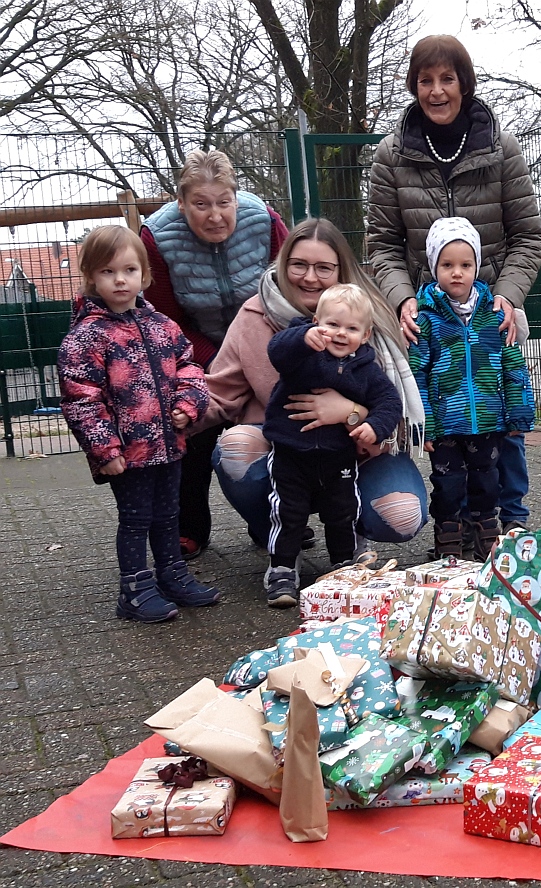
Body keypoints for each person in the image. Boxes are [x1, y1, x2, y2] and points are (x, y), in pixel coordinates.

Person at [367, 34, 541, 536]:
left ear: (464, 84)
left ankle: (510, 522)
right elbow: (381, 243)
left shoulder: (501, 149)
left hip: (494, 309)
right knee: (442, 419)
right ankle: (453, 521)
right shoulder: (391, 156)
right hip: (427, 317)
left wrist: (507, 297)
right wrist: (402, 301)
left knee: (502, 419)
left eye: (447, 79)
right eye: (426, 80)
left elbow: (528, 237)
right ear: (414, 86)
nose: (437, 91)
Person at [194, 217, 427, 564]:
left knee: (401, 515)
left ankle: (350, 539)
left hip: (357, 450)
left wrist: (350, 411)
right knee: (234, 448)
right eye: (299, 265)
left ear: (340, 270)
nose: (310, 277)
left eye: (323, 268)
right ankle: (275, 530)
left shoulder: (370, 317)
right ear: (283, 262)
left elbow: (394, 405)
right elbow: (220, 392)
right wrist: (175, 418)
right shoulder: (255, 315)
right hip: (288, 449)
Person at [57, 227, 221, 623]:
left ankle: (172, 576)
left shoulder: (162, 326)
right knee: (135, 519)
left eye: (129, 269)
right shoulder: (85, 337)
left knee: (169, 515)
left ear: (144, 275)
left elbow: (190, 368)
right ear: (91, 277)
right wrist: (105, 450)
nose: (119, 279)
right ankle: (133, 588)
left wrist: (188, 405)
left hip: (169, 444)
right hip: (127, 454)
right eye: (108, 271)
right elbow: (81, 399)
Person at [141, 149, 288, 559]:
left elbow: (289, 288)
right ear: (181, 202)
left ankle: (272, 521)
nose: (215, 216)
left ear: (237, 198)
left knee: (271, 429)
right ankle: (189, 529)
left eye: (224, 202)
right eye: (201, 204)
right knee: (193, 426)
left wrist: (263, 351)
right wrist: (216, 359)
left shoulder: (265, 222)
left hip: (266, 341)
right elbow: (163, 317)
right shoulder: (157, 237)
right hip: (196, 351)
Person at [261, 284, 404, 606]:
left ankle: (342, 564)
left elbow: (389, 402)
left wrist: (373, 426)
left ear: (365, 335)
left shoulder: (367, 369)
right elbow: (276, 352)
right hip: (291, 453)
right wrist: (301, 338)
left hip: (338, 455)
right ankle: (281, 569)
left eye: (351, 328)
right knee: (287, 512)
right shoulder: (302, 353)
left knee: (342, 512)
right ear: (315, 322)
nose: (340, 334)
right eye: (333, 325)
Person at [410, 217, 535, 560]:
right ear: (434, 266)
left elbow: (513, 365)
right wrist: (424, 425)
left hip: (488, 422)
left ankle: (486, 537)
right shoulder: (426, 319)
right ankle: (448, 536)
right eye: (447, 264)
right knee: (447, 485)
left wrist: (518, 412)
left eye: (466, 265)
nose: (457, 273)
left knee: (486, 482)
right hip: (446, 424)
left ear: (477, 267)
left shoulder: (494, 314)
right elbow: (417, 373)